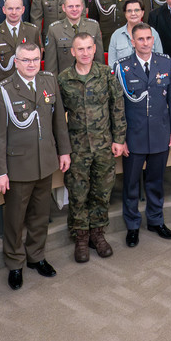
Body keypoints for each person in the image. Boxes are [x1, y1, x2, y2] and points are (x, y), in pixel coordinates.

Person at [0, 41, 70, 289]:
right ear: (16, 62)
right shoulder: (2, 90)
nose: (31, 64)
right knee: (15, 219)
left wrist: (64, 151)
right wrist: (0, 172)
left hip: (45, 161)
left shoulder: (48, 81)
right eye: (26, 60)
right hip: (18, 166)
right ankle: (15, 262)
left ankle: (36, 256)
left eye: (35, 59)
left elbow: (59, 121)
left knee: (40, 215)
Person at [57, 33, 127, 262]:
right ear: (73, 52)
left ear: (95, 49)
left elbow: (117, 107)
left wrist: (119, 139)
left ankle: (97, 233)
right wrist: (63, 149)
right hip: (77, 148)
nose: (85, 53)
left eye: (89, 48)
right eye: (80, 49)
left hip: (104, 145)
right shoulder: (64, 79)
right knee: (78, 194)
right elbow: (57, 119)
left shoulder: (106, 74)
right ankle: (81, 237)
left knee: (102, 191)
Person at [116, 22, 171, 245]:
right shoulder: (122, 67)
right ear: (133, 42)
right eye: (140, 39)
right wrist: (120, 138)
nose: (145, 43)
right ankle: (133, 225)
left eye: (148, 38)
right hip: (133, 136)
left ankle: (155, 220)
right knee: (131, 184)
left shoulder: (164, 62)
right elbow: (117, 107)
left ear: (153, 40)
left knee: (156, 181)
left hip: (160, 132)